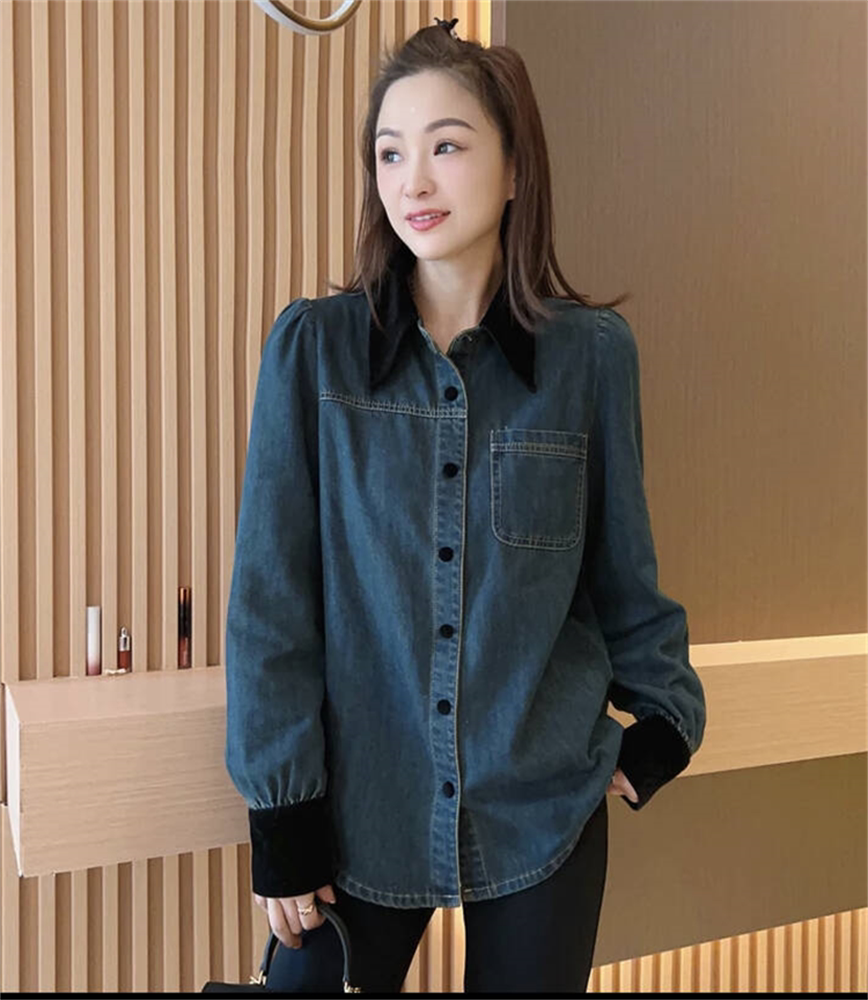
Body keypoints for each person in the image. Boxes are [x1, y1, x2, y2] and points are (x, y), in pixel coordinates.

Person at [224, 15, 706, 994]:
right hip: (353, 812)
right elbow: (271, 602)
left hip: (540, 807)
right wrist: (281, 812)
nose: (413, 181)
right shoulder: (314, 352)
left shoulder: (589, 359)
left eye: (446, 146)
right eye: (390, 153)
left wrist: (665, 720)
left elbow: (622, 574)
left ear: (516, 167)